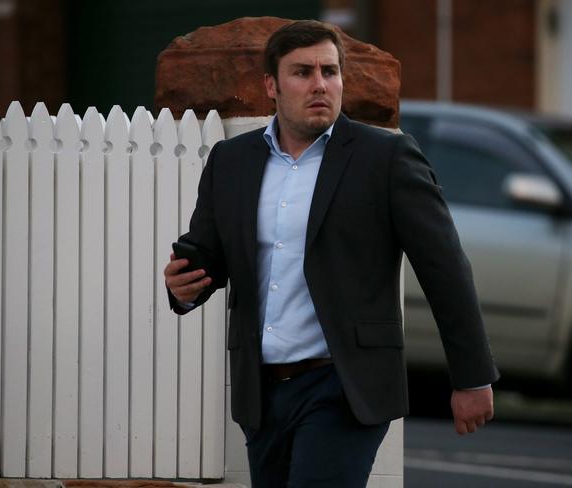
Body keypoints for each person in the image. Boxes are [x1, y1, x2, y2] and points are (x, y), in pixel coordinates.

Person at [164, 19, 499, 488]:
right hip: (262, 392)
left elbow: (445, 269)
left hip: (344, 386)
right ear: (271, 86)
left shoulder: (386, 158)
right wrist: (182, 287)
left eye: (330, 71)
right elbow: (210, 254)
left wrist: (472, 377)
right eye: (302, 72)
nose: (320, 84)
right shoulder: (231, 161)